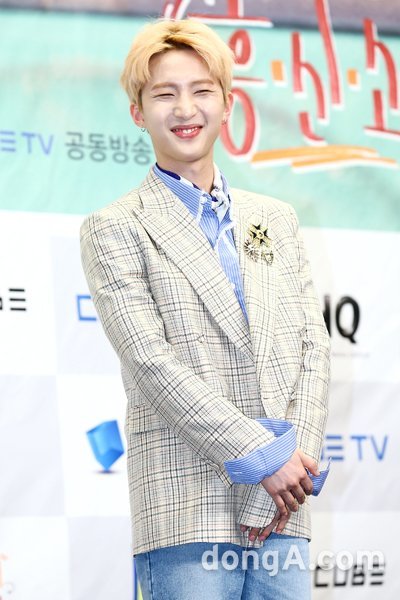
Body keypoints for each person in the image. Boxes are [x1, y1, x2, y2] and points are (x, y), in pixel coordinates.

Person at [80, 18, 330, 600]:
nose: (185, 109)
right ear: (138, 112)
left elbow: (312, 347)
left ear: (228, 103)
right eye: (164, 94)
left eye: (201, 90)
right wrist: (263, 458)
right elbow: (151, 363)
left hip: (283, 508)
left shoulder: (276, 218)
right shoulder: (115, 227)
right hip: (185, 506)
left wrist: (291, 467)